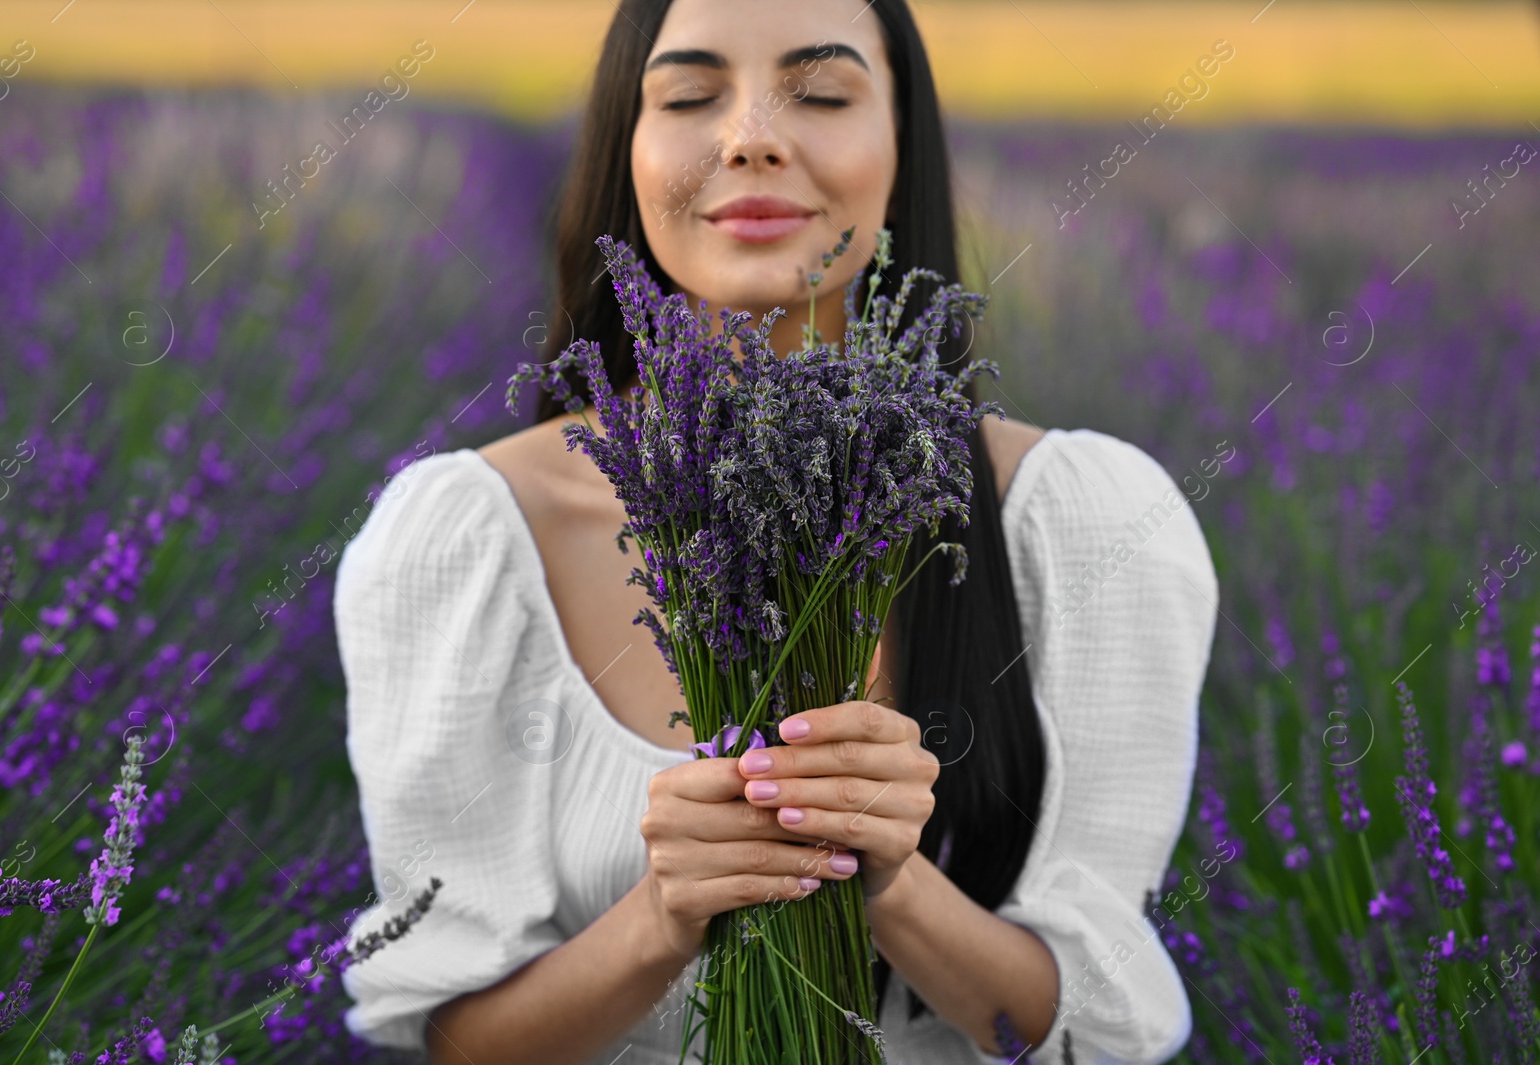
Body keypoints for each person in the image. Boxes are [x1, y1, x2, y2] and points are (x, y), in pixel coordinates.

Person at [332, 1, 1220, 1062]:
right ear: (628, 149)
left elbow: (1094, 1036)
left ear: (903, 147)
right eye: (691, 94)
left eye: (824, 93)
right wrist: (660, 916)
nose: (750, 134)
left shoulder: (1081, 525)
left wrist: (890, 881)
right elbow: (461, 1045)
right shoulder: (468, 538)